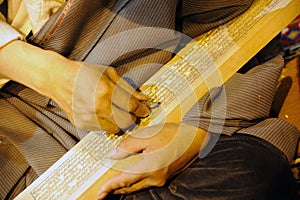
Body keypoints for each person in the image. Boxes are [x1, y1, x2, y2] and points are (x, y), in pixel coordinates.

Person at [0, 0, 298, 199]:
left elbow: (233, 28)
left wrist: (196, 133)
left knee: (253, 182)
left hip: (170, 97)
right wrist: (45, 72)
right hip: (19, 137)